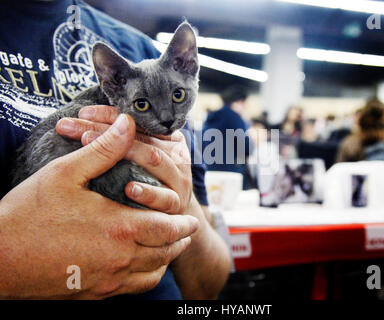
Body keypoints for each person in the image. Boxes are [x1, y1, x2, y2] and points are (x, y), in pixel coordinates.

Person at [0, 0, 230, 299]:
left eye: (177, 96)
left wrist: (180, 200)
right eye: (144, 104)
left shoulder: (140, 49)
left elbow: (207, 287)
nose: (168, 119)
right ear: (111, 84)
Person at [201, 85, 253, 187]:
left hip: (209, 170)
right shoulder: (235, 117)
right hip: (230, 173)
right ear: (240, 102)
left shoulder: (211, 118)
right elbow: (244, 147)